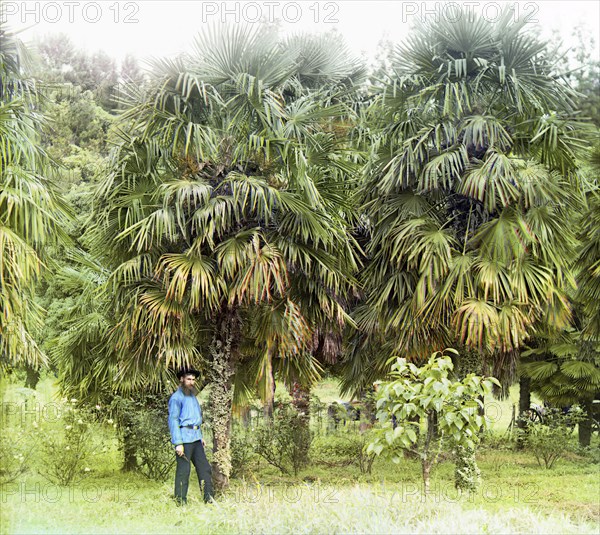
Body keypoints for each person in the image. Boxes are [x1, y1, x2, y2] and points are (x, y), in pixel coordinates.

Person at [168, 368, 214, 505]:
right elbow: (173, 420)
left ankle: (209, 499)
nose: (191, 382)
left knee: (204, 468)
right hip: (184, 439)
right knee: (184, 471)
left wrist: (200, 436)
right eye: (188, 379)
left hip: (196, 438)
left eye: (193, 379)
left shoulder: (192, 396)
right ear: (181, 379)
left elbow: (195, 419)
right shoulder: (176, 398)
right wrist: (178, 443)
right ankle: (180, 502)